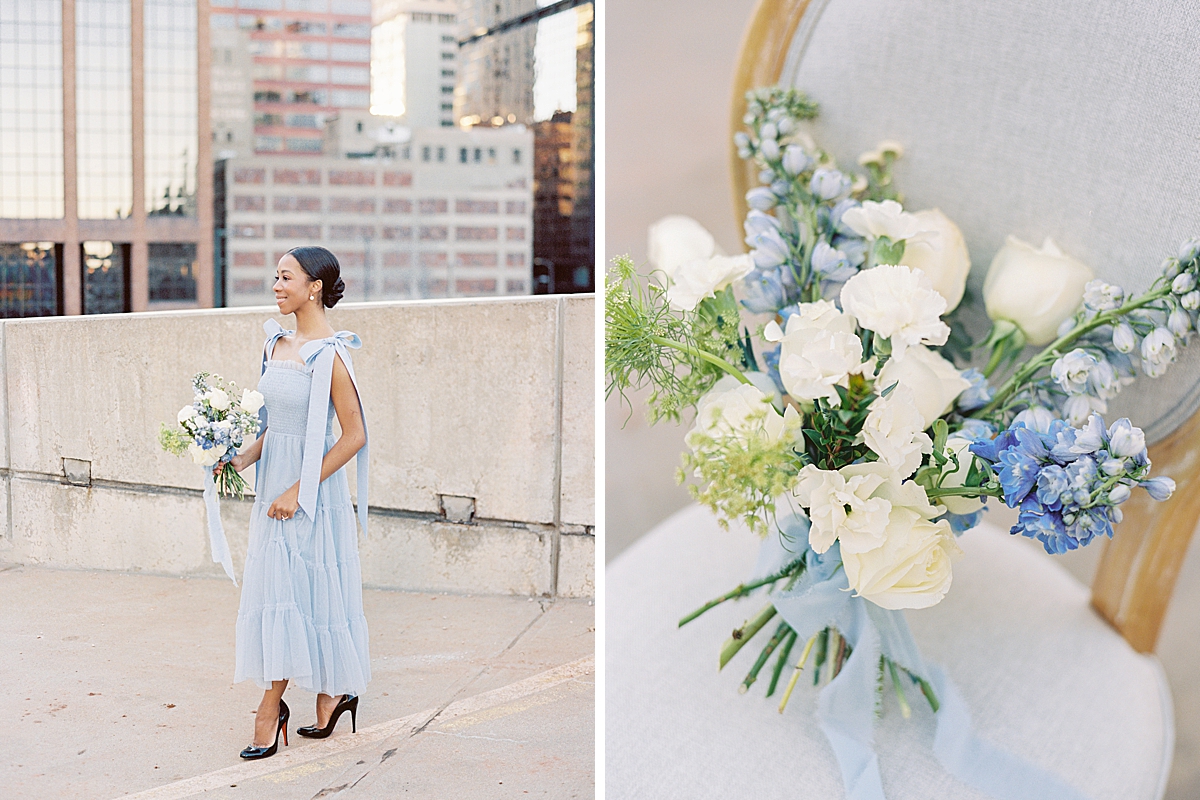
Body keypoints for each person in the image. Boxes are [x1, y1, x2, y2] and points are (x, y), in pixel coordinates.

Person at [226, 246, 371, 759]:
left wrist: (299, 490)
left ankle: (271, 707)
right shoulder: (275, 343)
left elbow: (352, 436)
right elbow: (277, 425)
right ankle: (332, 696)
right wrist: (241, 459)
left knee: (296, 586)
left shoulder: (330, 352)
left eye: (286, 277)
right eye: (275, 276)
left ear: (314, 287)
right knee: (289, 588)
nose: (276, 285)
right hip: (273, 484)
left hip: (310, 491)